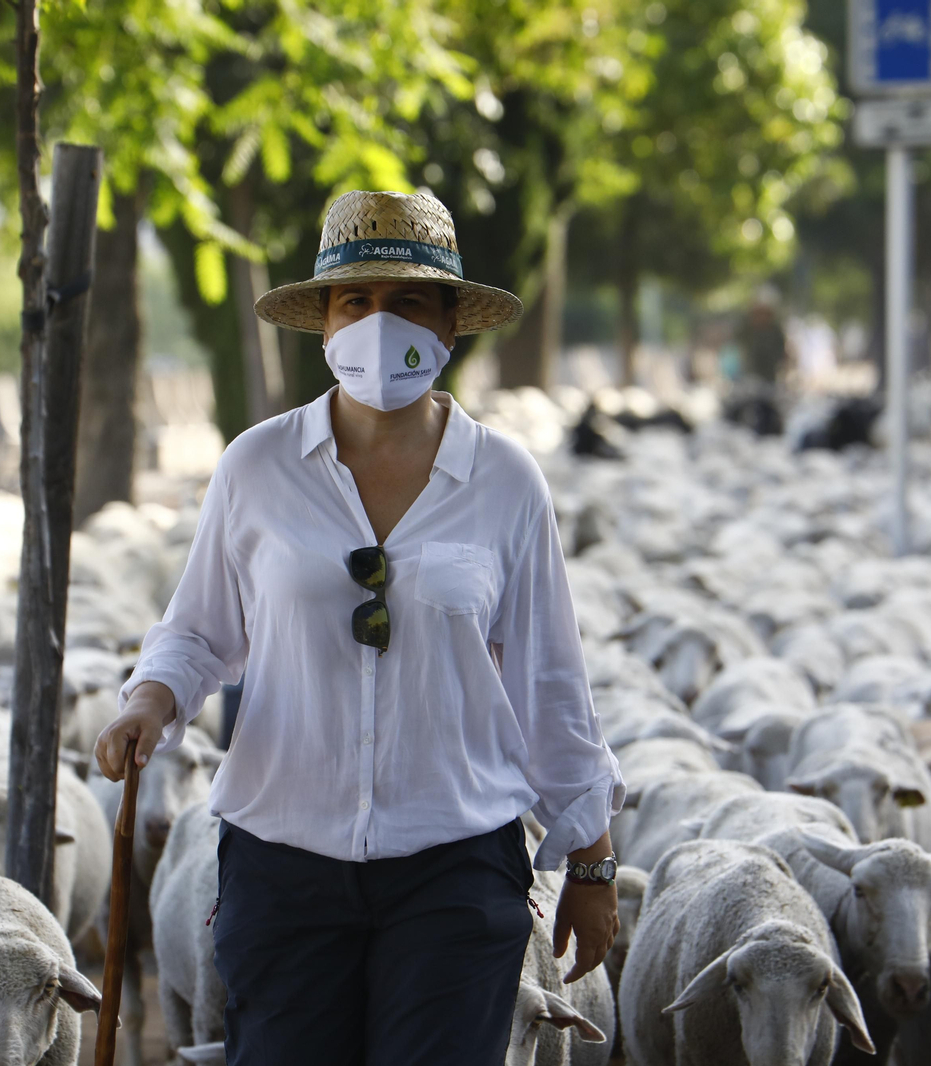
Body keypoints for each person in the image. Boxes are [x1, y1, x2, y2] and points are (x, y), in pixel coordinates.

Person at [95, 190, 624, 1065]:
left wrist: (593, 863)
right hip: (283, 860)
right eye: (356, 302)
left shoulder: (505, 481)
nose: (380, 325)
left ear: (450, 325)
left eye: (408, 302)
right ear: (326, 326)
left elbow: (551, 682)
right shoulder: (256, 467)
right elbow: (197, 631)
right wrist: (151, 701)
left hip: (455, 865)